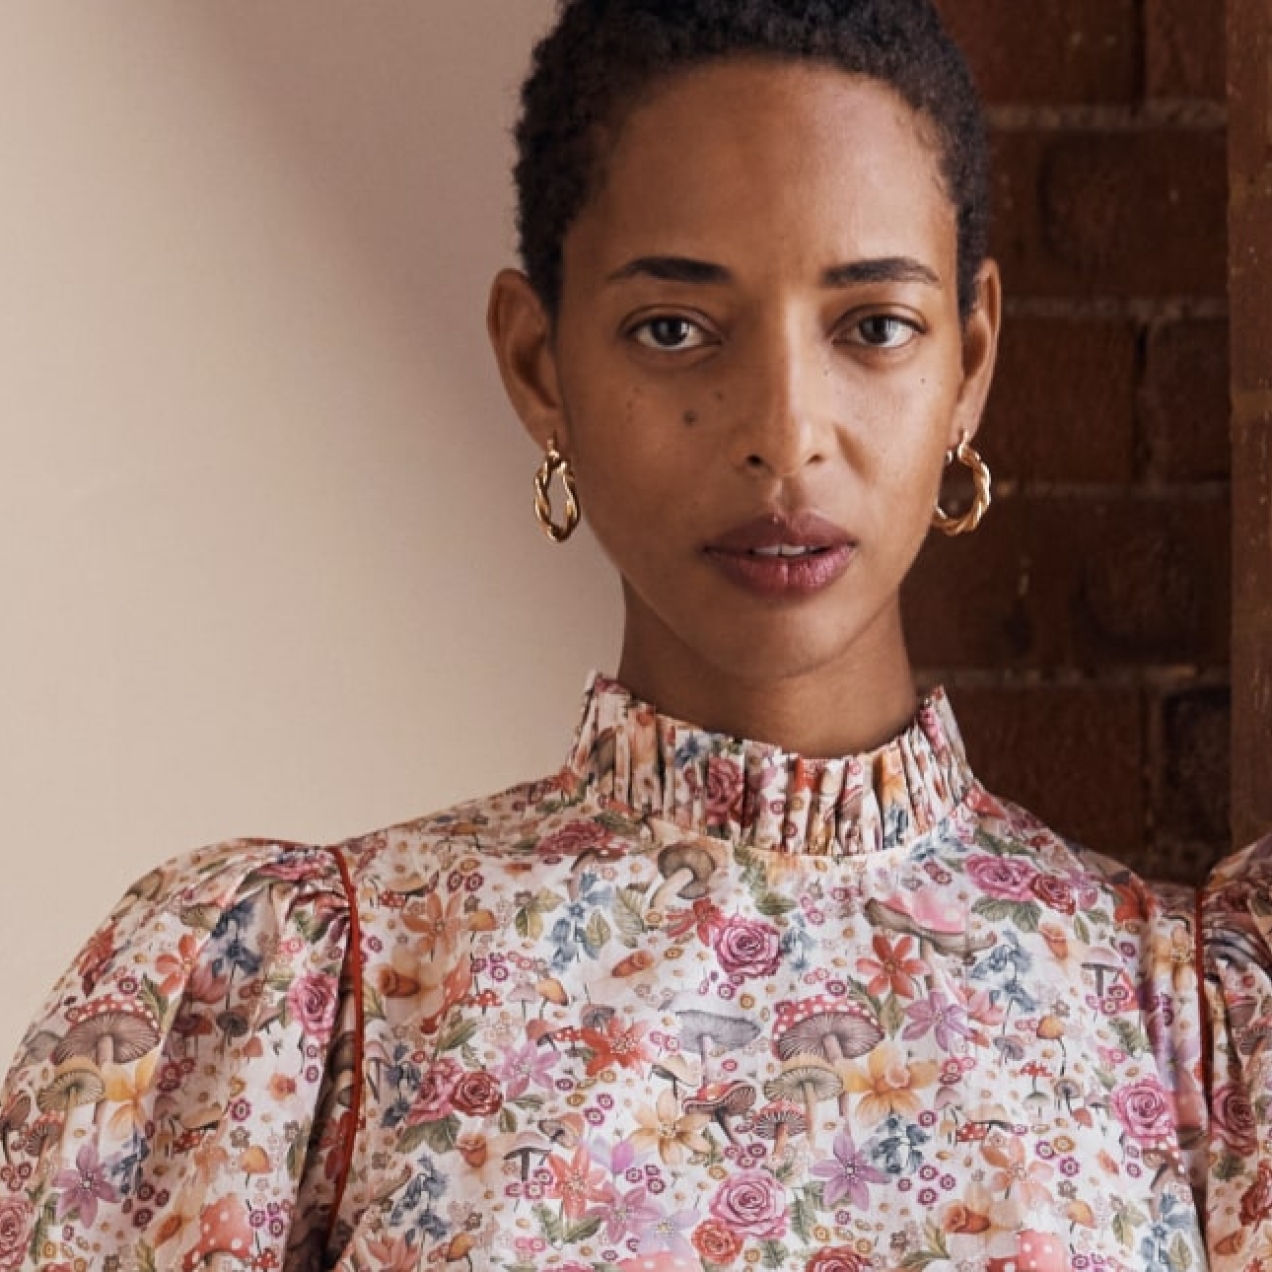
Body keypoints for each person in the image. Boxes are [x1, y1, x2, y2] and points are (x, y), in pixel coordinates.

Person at [0, 0, 1259, 1268]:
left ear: (970, 360)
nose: (784, 429)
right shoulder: (311, 1006)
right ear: (539, 362)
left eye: (872, 327)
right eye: (675, 331)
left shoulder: (1188, 1031)